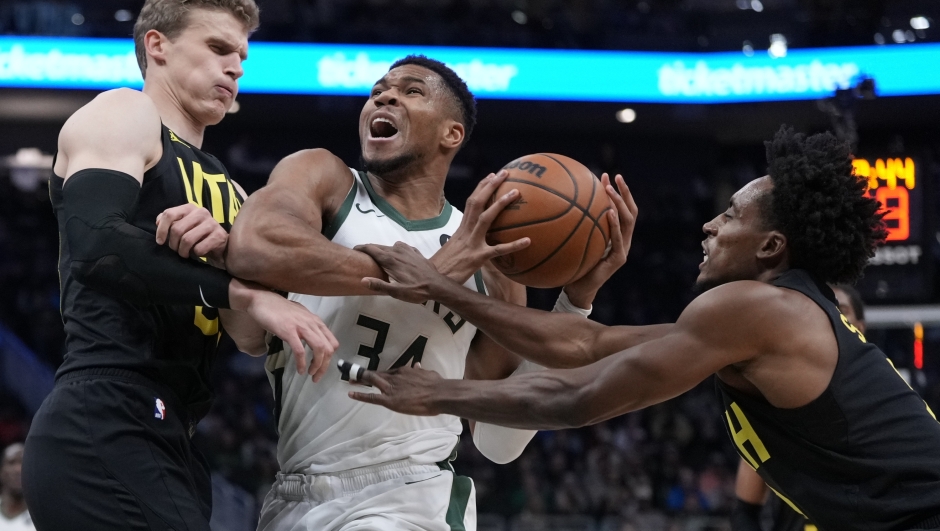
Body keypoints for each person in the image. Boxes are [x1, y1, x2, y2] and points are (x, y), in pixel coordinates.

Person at [352, 127, 940, 531]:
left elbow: (579, 398)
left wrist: (438, 394)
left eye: (730, 215)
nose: (710, 225)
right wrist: (444, 288)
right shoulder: (765, 318)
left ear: (770, 246)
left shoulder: (756, 310)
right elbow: (588, 345)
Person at [226, 55, 633, 531]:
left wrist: (576, 301)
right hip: (295, 493)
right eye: (378, 89)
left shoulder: (492, 259)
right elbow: (255, 246)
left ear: (451, 134)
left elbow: (498, 444)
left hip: (412, 496)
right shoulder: (325, 179)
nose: (385, 95)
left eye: (411, 91)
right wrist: (428, 275)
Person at [22, 1, 337, 530]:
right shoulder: (123, 113)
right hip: (106, 412)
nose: (234, 67)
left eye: (240, 56)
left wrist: (225, 258)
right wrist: (245, 292)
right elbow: (97, 246)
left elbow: (249, 339)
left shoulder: (234, 193)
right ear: (157, 46)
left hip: (174, 431)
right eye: (217, 48)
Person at [732, 283, 866, 531]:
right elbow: (745, 511)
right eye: (821, 308)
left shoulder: (881, 401)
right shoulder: (773, 401)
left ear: (859, 327)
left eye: (841, 310)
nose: (830, 316)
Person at [0, 444, 32, 531]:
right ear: (1, 471)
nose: (18, 469)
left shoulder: (43, 514)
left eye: (23, 462)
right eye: (12, 462)